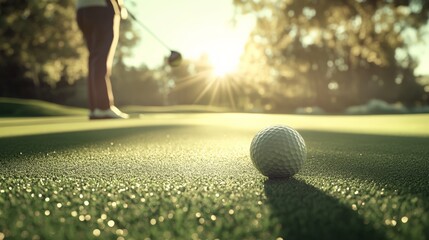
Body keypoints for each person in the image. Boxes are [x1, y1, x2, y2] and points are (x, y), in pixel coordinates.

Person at [76, 0, 129, 119]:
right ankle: (103, 107)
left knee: (94, 58)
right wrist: (119, 6)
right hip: (102, 8)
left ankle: (95, 108)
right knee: (101, 57)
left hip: (82, 10)